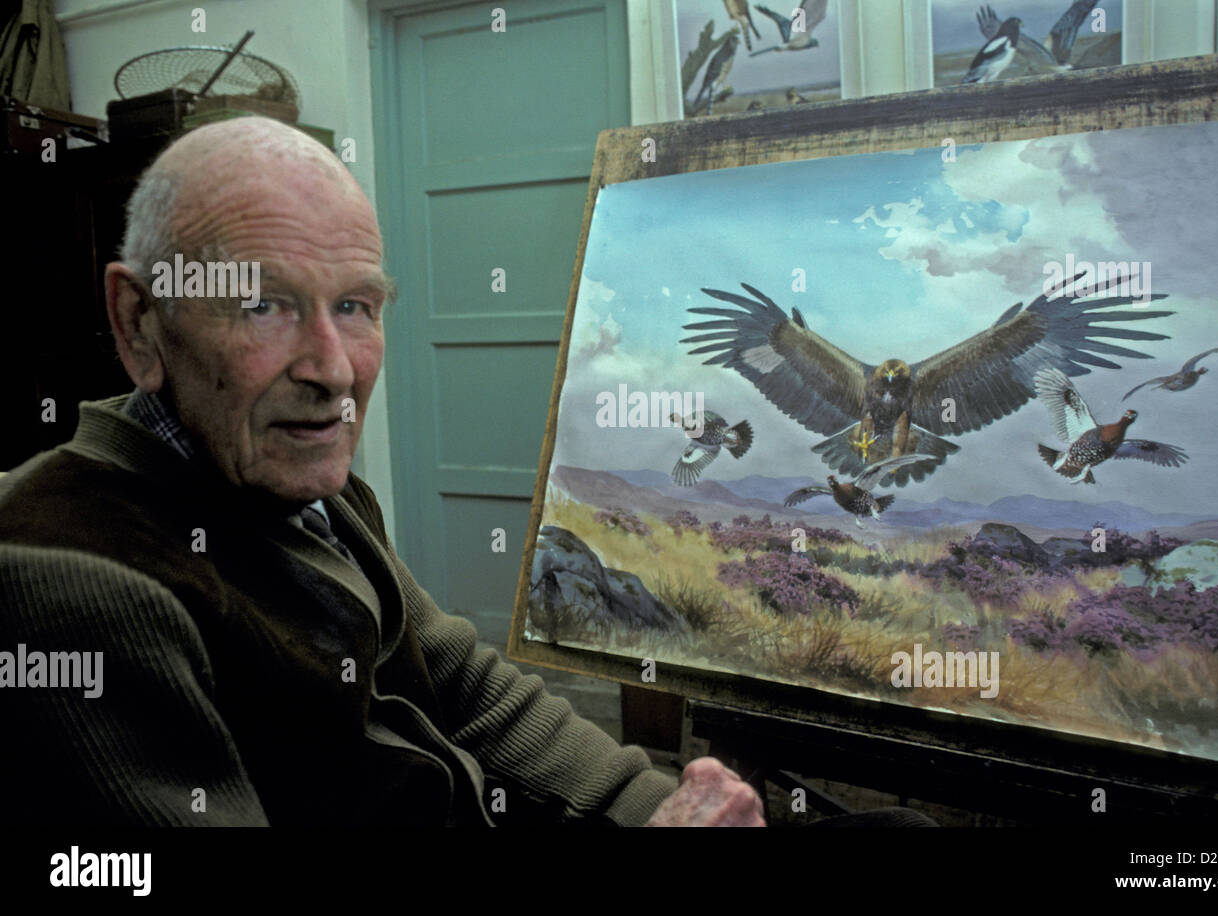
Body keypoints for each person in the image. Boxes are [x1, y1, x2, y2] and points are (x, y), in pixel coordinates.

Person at [0, 116, 764, 827]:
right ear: (140, 322)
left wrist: (654, 807)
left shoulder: (314, 494)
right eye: (264, 305)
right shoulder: (64, 572)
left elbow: (466, 685)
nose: (335, 370)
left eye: (358, 306)